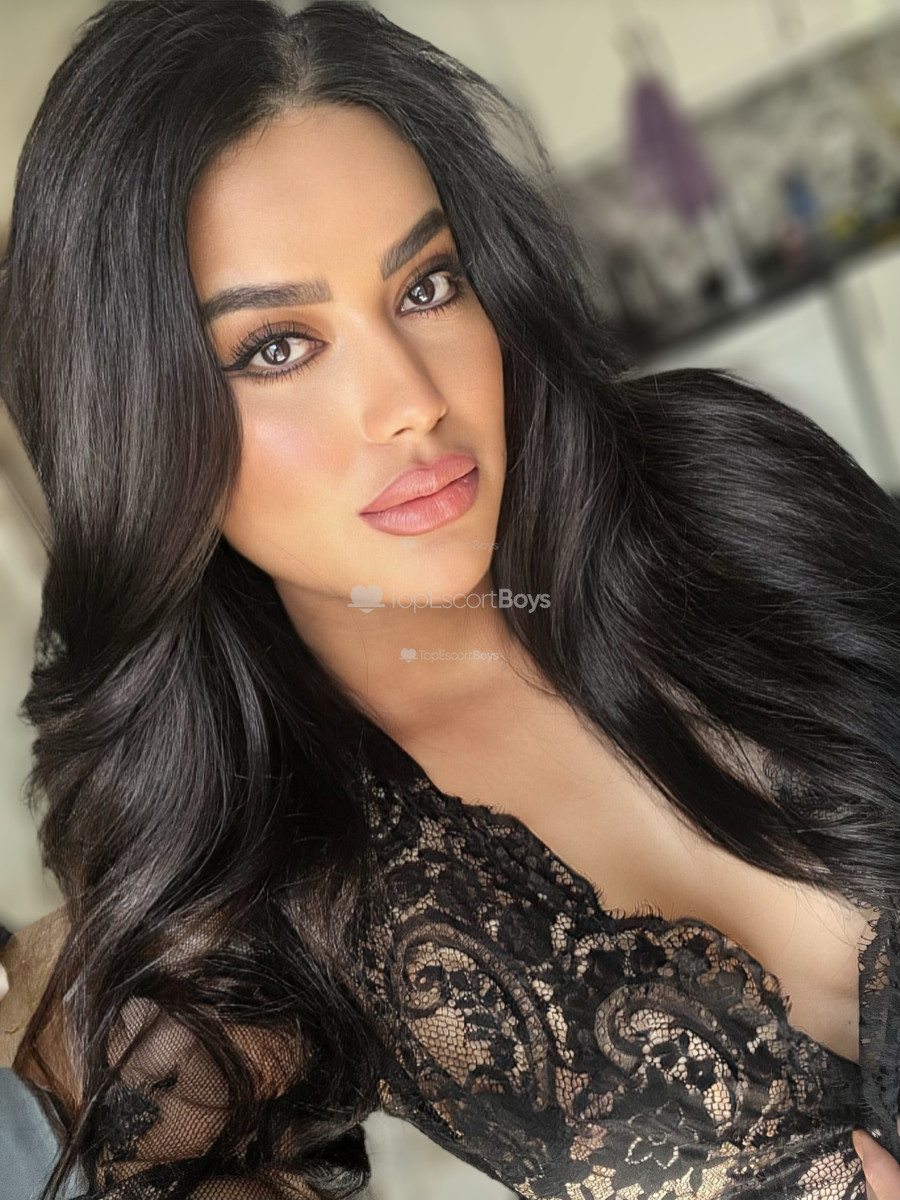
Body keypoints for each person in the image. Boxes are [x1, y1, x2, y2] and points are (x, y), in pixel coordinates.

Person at [1, 2, 900, 1197]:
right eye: (276, 347)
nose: (411, 400)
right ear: (136, 423)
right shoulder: (263, 882)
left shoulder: (723, 485)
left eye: (427, 285)